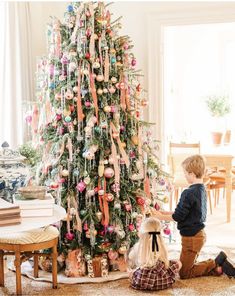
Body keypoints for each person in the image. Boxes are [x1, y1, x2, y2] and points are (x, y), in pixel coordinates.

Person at [151, 154, 235, 279]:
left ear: (191, 174)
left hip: (191, 239)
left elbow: (178, 217)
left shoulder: (188, 193)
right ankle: (217, 268)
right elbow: (184, 213)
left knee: (184, 273)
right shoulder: (201, 189)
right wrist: (163, 213)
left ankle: (215, 263)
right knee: (189, 265)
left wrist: (160, 217)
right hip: (198, 235)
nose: (184, 176)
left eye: (185, 173)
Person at [128, 216, 182, 291]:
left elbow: (136, 262)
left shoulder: (140, 246)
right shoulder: (161, 245)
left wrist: (133, 273)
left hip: (144, 280)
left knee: (132, 272)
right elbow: (167, 263)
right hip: (165, 280)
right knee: (177, 262)